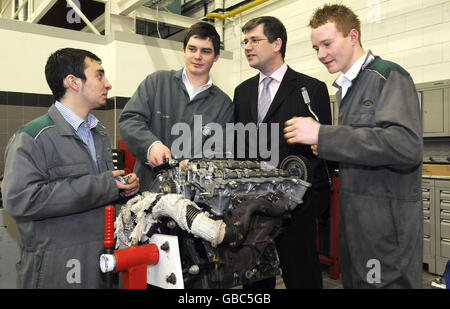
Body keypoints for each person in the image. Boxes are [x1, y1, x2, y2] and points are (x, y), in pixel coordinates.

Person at [283, 4, 423, 288]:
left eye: (327, 43)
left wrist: (324, 136)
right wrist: (327, 148)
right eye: (315, 48)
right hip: (356, 229)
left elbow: (406, 146)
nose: (321, 54)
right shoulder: (347, 87)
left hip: (384, 235)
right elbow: (364, 145)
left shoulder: (387, 76)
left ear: (353, 36)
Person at [1, 48, 139, 288]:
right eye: (99, 75)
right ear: (73, 82)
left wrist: (120, 188)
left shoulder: (100, 134)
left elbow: (98, 191)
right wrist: (104, 185)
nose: (108, 84)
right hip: (56, 269)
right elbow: (20, 200)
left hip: (103, 262)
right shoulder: (33, 137)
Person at [233, 16, 333, 289]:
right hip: (253, 212)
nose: (247, 47)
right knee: (255, 282)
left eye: (255, 40)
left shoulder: (310, 89)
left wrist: (308, 205)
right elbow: (239, 150)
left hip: (295, 211)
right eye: (245, 41)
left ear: (277, 43)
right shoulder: (242, 93)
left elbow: (324, 154)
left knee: (302, 278)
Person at [118, 22, 233, 191]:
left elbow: (222, 151)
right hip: (147, 191)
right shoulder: (157, 82)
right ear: (184, 51)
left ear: (216, 56)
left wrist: (194, 165)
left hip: (195, 198)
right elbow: (129, 120)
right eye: (192, 49)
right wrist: (151, 145)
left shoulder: (223, 104)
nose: (197, 56)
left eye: (206, 51)